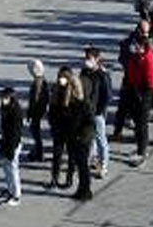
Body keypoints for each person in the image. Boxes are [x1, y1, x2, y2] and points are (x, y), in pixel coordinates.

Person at [121, 20, 153, 166]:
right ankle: (140, 147)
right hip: (134, 90)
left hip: (143, 94)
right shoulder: (136, 57)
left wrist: (142, 95)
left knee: (142, 123)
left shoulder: (148, 60)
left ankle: (142, 151)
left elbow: (150, 82)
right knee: (138, 122)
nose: (135, 47)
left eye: (137, 46)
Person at [80, 47, 112, 180]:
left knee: (100, 138)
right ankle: (92, 159)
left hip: (97, 112)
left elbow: (107, 96)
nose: (86, 61)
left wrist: (100, 111)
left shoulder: (103, 75)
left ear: (97, 60)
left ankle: (103, 165)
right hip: (86, 111)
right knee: (88, 137)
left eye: (89, 58)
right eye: (86, 58)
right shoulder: (84, 72)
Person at [65, 73, 96, 201]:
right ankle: (81, 189)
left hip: (82, 140)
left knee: (83, 166)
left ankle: (86, 191)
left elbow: (90, 124)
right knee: (80, 165)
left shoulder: (83, 104)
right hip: (74, 138)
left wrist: (80, 136)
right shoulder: (72, 102)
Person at [46, 67, 74, 189]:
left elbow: (77, 112)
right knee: (57, 155)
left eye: (64, 77)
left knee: (71, 155)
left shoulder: (73, 92)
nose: (61, 79)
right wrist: (52, 122)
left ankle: (69, 178)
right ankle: (54, 178)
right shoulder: (55, 89)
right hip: (58, 128)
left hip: (70, 129)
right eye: (60, 77)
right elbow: (51, 109)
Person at [0, 87, 23, 206]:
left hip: (13, 144)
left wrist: (11, 149)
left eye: (6, 98)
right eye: (2, 97)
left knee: (13, 169)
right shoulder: (6, 108)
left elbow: (16, 132)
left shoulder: (16, 112)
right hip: (6, 141)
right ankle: (10, 189)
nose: (3, 100)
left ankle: (16, 195)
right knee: (6, 168)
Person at [26, 59, 49, 163]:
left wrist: (29, 114)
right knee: (35, 132)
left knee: (35, 132)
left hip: (36, 112)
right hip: (39, 110)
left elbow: (34, 101)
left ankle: (39, 153)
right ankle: (37, 151)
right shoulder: (42, 80)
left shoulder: (37, 83)